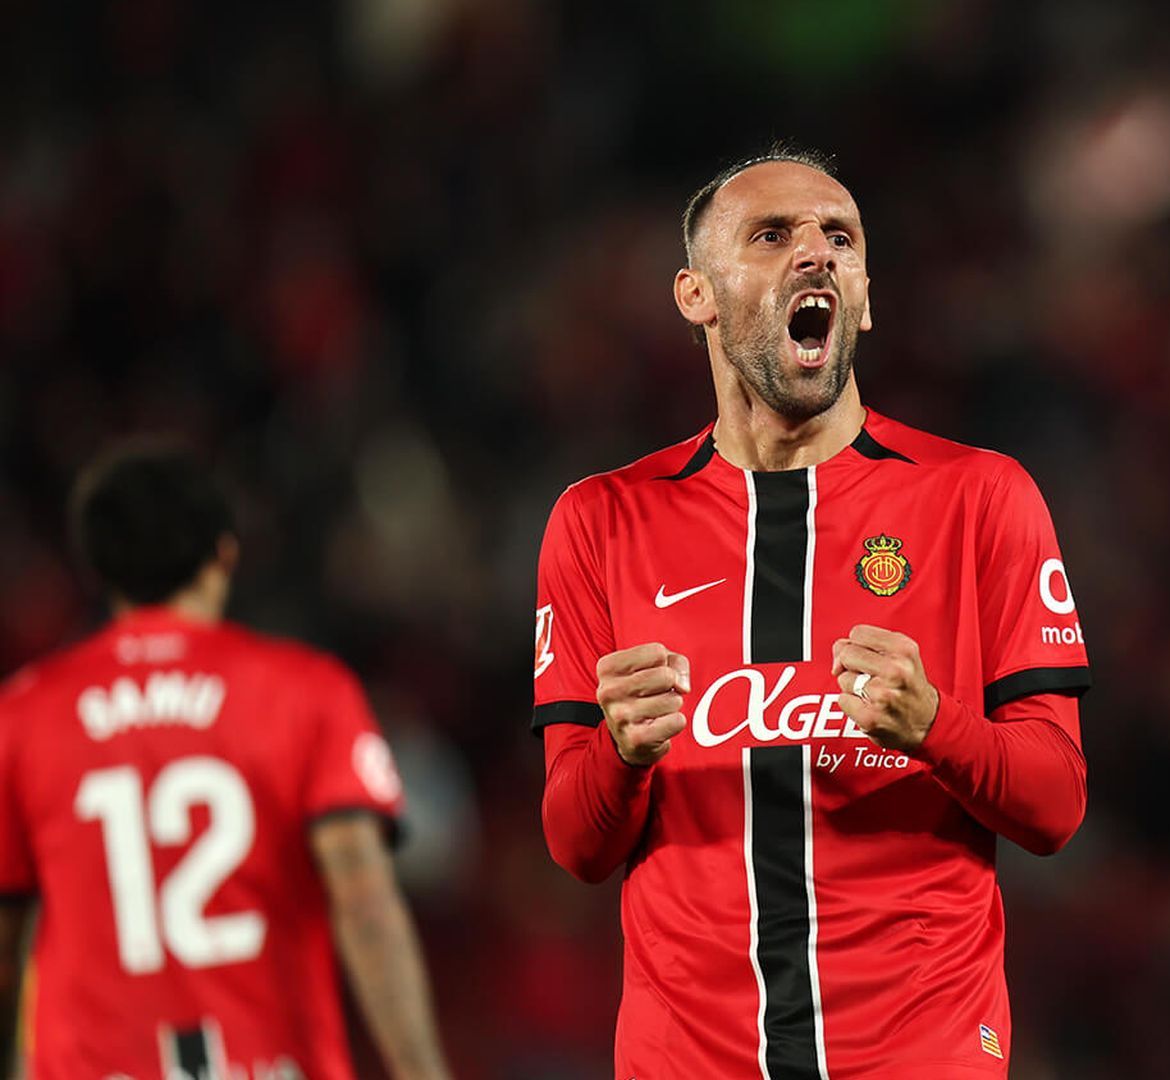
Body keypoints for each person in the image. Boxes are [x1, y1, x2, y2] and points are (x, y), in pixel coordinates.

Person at [534, 146, 1092, 1078]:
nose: (815, 253)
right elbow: (575, 845)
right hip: (690, 1061)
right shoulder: (602, 520)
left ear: (863, 299)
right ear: (697, 296)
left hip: (920, 1053)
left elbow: (1057, 806)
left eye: (840, 237)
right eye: (771, 235)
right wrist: (620, 756)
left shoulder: (980, 497)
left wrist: (937, 726)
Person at [0, 446, 450, 1080]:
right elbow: (366, 902)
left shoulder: (24, 717)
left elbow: (6, 942)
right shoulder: (305, 693)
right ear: (225, 553)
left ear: (97, 567)